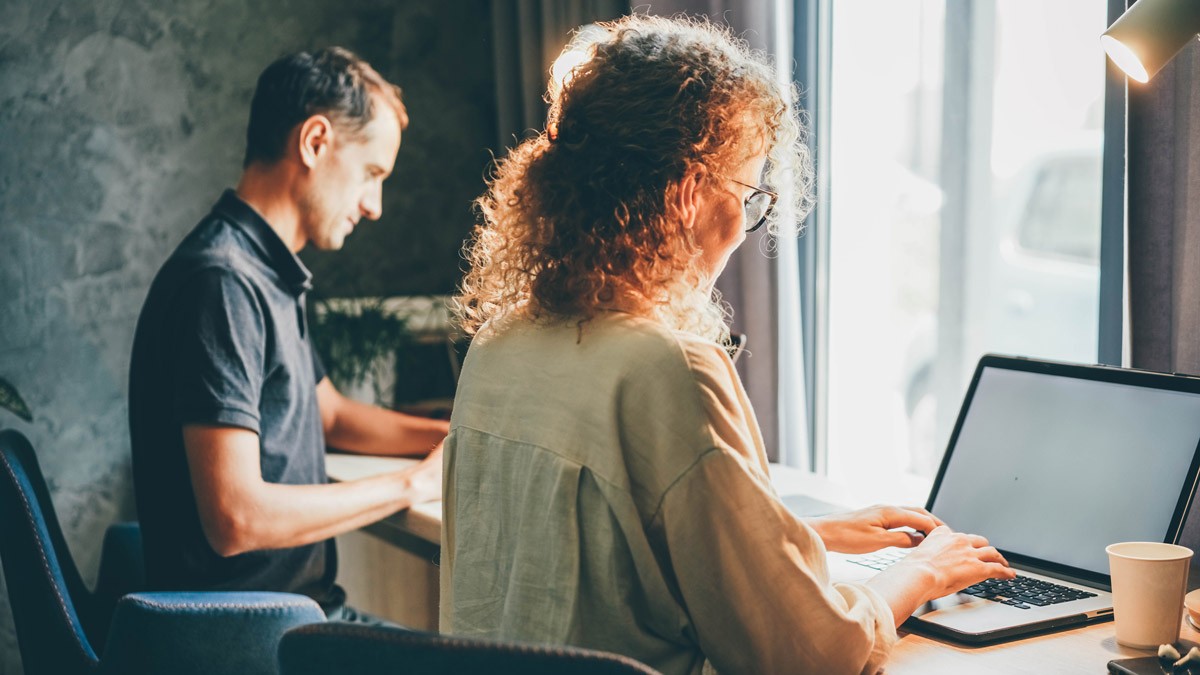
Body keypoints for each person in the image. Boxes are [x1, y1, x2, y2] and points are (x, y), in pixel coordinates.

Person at [442, 15, 1014, 674]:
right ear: (688, 193)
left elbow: (594, 556)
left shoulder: (498, 344)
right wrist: (920, 570)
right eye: (747, 195)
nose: (744, 228)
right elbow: (809, 653)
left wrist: (796, 539)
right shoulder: (666, 369)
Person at [128, 47, 447, 622]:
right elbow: (235, 518)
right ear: (315, 142)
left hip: (287, 619)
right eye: (372, 174)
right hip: (247, 640)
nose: (374, 206)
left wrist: (452, 439)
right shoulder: (224, 281)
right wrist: (413, 484)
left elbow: (329, 416)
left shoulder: (265, 269)